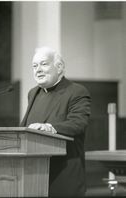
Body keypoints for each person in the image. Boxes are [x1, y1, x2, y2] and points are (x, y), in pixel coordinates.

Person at [20, 46, 91, 197]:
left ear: (59, 67)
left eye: (44, 64)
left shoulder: (76, 91)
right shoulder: (33, 93)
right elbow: (25, 127)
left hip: (64, 175)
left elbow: (77, 124)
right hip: (34, 177)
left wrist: (49, 128)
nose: (38, 70)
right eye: (34, 66)